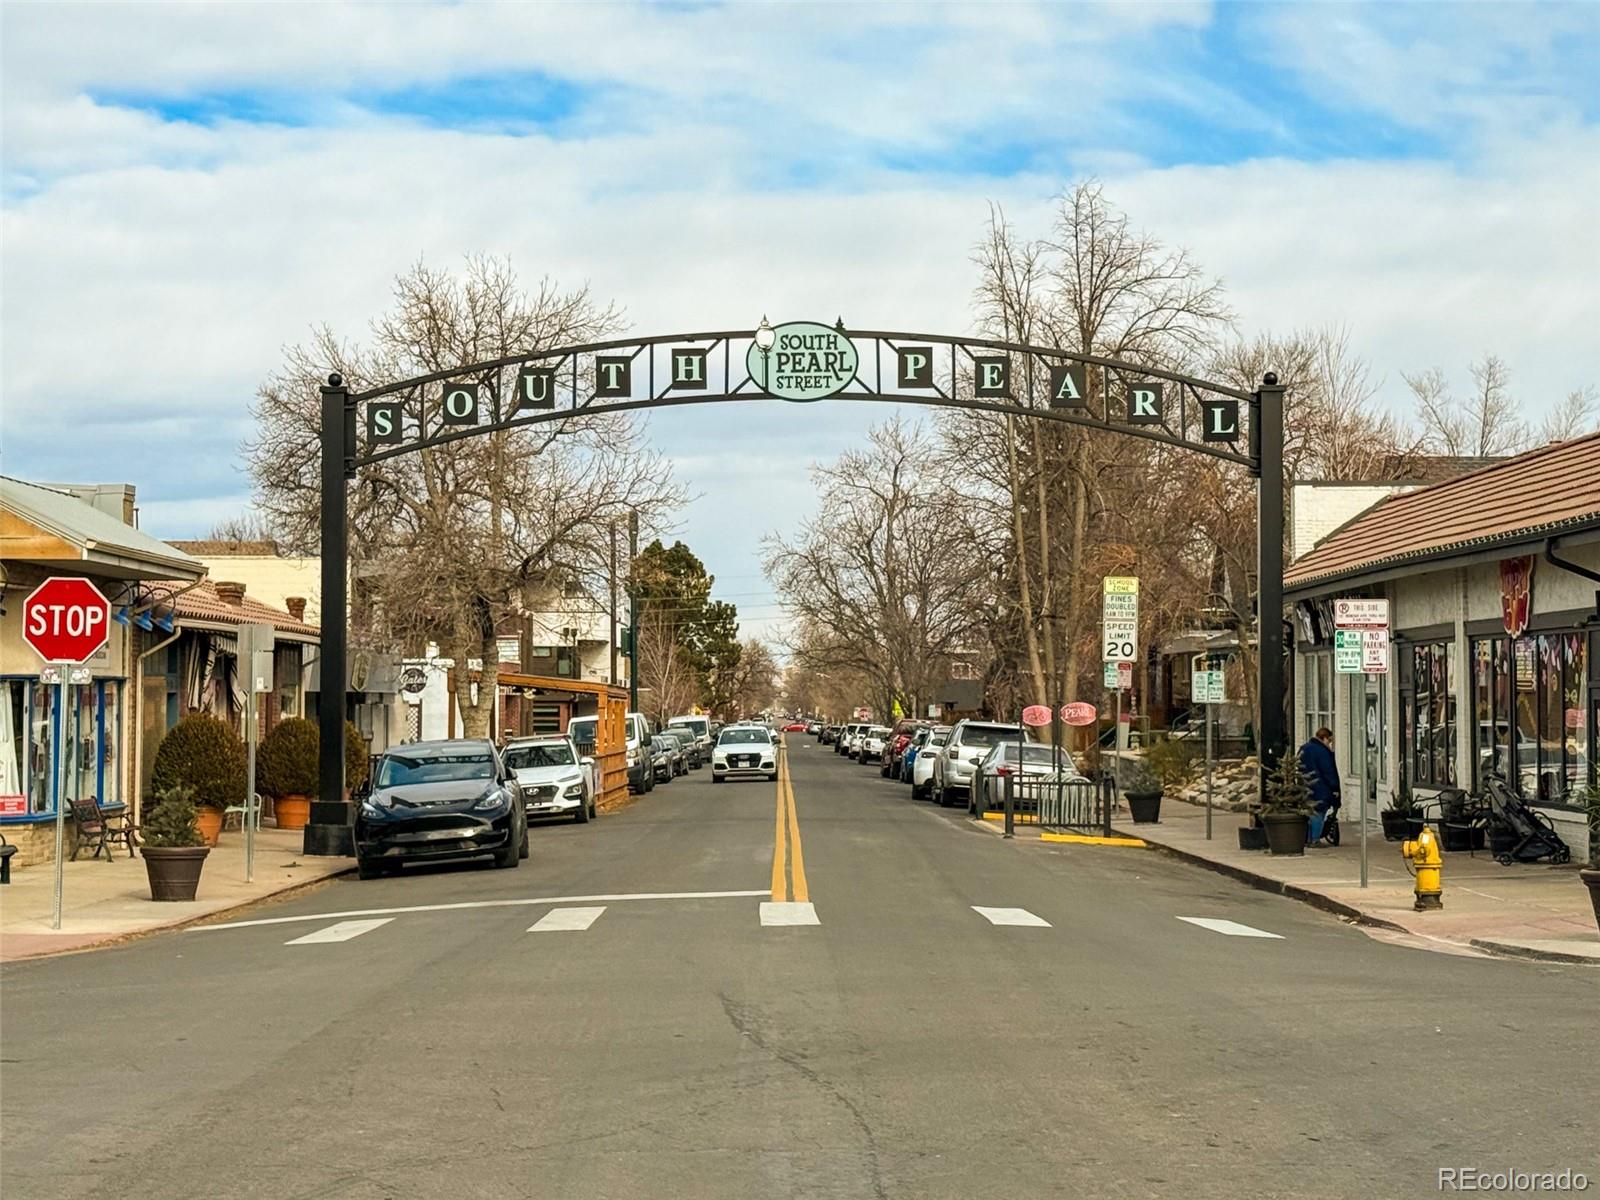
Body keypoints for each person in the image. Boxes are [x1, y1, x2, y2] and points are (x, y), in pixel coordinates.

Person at [1299, 726, 1340, 844]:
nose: (1330, 744)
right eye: (1330, 741)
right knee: (1319, 812)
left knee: (1310, 813)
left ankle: (1308, 839)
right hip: (1321, 787)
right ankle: (1315, 840)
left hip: (1306, 786)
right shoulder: (1323, 752)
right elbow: (1328, 771)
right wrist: (1334, 787)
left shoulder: (1304, 748)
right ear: (1324, 738)